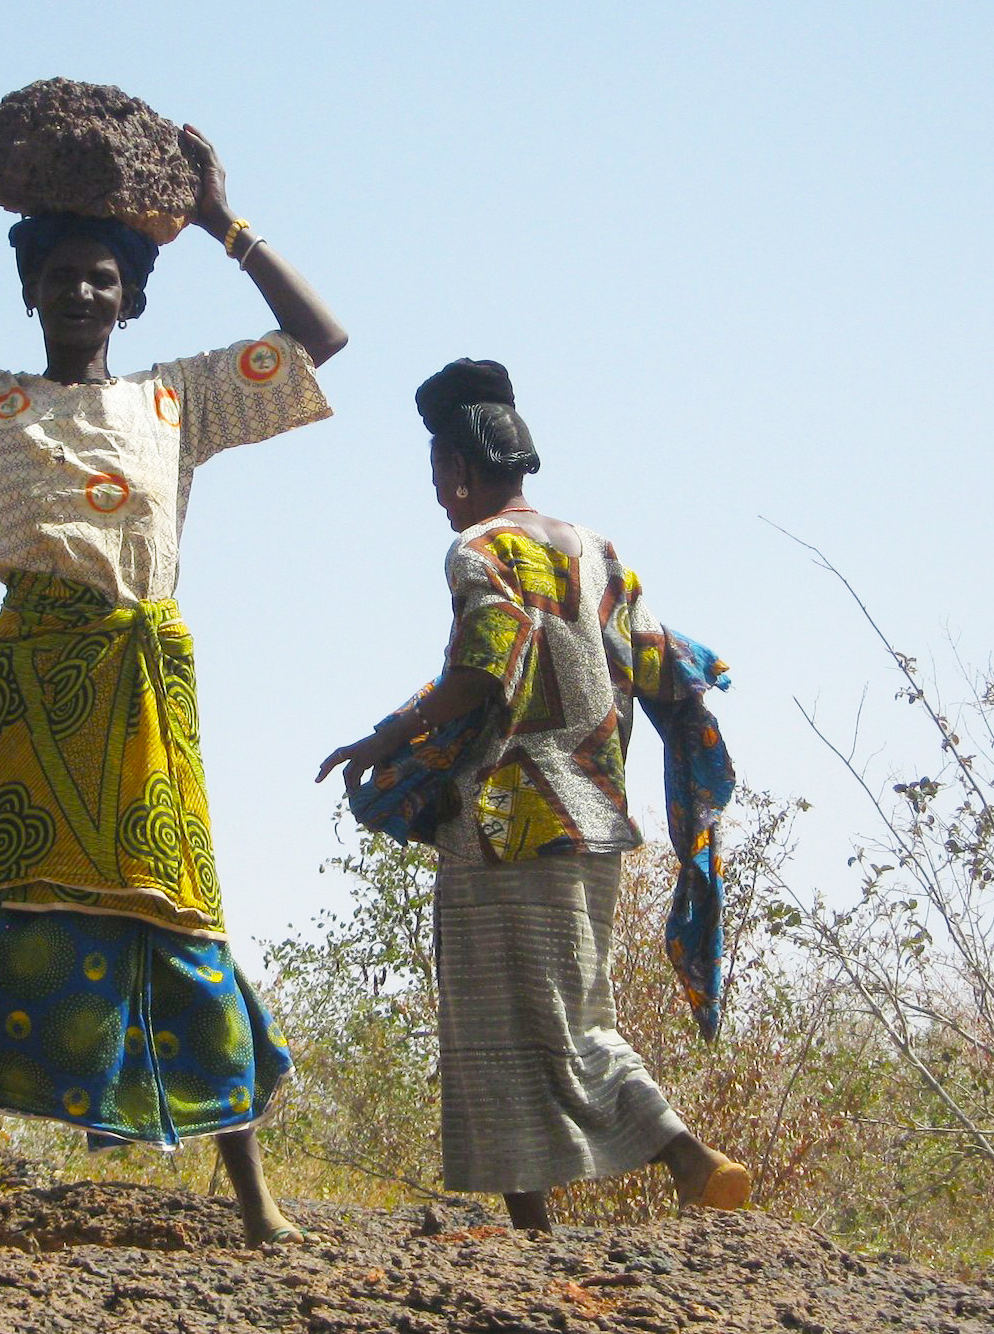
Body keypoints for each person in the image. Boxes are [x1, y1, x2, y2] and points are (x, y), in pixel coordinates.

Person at [0, 123, 346, 1263]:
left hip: (142, 690)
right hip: (27, 682)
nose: (80, 292)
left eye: (101, 277)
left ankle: (254, 1201)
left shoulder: (179, 404)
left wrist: (220, 220)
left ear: (129, 299)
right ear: (31, 292)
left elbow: (319, 335)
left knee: (182, 919)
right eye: (58, 276)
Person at [316, 358, 749, 1231]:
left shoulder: (478, 548)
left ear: (458, 470)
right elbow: (660, 657)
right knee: (572, 1012)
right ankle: (548, 1222)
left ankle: (670, 1160)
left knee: (494, 1021)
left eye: (439, 478)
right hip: (594, 816)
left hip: (506, 823)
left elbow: (486, 660)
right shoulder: (598, 549)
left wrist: (386, 737)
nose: (440, 497)